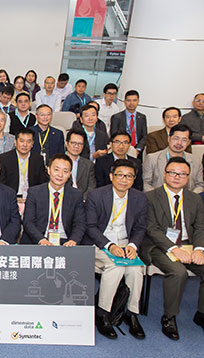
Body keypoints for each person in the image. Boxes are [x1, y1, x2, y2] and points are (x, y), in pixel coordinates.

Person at [143, 157, 204, 340]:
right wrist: (173, 249)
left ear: (188, 177)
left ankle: (201, 313)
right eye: (173, 173)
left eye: (182, 174)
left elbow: (201, 226)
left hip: (188, 244)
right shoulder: (150, 197)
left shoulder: (195, 199)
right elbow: (151, 229)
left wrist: (200, 249)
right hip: (159, 246)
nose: (177, 177)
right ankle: (169, 317)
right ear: (164, 174)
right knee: (178, 272)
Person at [86, 159, 147, 340]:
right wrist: (110, 246)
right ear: (111, 176)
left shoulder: (140, 198)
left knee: (136, 269)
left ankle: (131, 314)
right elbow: (90, 226)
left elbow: (140, 227)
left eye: (129, 176)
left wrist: (133, 246)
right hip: (100, 244)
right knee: (117, 267)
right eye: (119, 175)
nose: (123, 180)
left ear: (134, 179)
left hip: (126, 243)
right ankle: (103, 313)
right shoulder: (96, 195)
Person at [21, 153, 85, 245]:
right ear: (49, 170)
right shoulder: (34, 192)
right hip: (38, 240)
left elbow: (79, 223)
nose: (60, 175)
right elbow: (28, 222)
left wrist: (73, 240)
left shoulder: (76, 195)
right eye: (56, 170)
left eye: (65, 171)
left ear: (69, 174)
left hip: (65, 242)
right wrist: (41, 240)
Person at [142, 124, 204, 193]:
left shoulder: (196, 160)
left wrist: (190, 197)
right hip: (159, 200)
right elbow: (146, 184)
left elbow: (200, 185)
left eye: (184, 140)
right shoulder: (152, 158)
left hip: (187, 201)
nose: (179, 143)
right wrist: (158, 198)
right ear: (169, 139)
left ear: (189, 142)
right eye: (176, 138)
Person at [0, 128, 49, 200]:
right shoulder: (4, 159)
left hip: (32, 199)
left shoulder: (38, 159)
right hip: (11, 198)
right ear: (15, 142)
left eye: (29, 141)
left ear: (32, 144)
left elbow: (42, 183)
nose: (25, 145)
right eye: (22, 141)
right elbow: (1, 184)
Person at [110, 90, 147, 155]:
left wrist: (138, 149)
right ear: (125, 102)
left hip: (138, 150)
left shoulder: (142, 117)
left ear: (138, 101)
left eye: (134, 100)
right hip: (121, 148)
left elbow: (144, 136)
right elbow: (114, 136)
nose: (131, 103)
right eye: (129, 100)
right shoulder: (116, 117)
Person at [65, 129, 97, 199]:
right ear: (66, 143)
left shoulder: (88, 165)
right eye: (73, 143)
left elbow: (91, 187)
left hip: (82, 201)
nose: (76, 146)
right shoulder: (57, 162)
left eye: (80, 144)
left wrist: (81, 199)